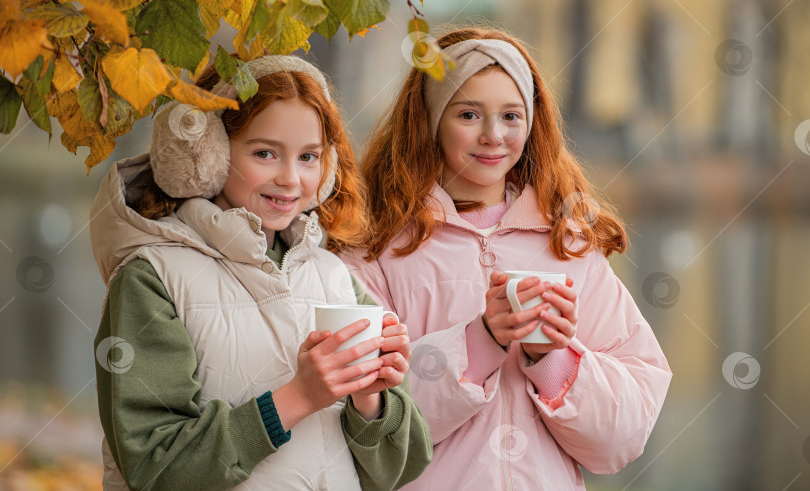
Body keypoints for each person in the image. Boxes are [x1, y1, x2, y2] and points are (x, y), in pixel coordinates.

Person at [339, 27, 672, 490]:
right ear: (431, 121)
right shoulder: (377, 248)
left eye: (511, 116)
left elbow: (625, 433)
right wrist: (479, 345)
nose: (494, 136)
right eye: (469, 114)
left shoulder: (568, 245)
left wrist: (553, 360)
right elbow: (359, 420)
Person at [89, 55, 432, 490]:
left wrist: (370, 397)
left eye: (308, 156)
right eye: (265, 153)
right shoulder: (151, 278)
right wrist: (298, 398)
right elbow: (155, 467)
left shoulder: (334, 276)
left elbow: (402, 468)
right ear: (208, 155)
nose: (291, 179)